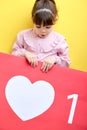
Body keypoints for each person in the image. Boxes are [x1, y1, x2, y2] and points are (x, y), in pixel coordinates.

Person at [12, 0, 71, 72]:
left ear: (55, 20)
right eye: (38, 27)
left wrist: (54, 59)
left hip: (49, 79)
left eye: (48, 27)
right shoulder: (23, 35)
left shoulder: (60, 40)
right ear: (33, 20)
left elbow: (66, 64)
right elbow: (13, 55)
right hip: (25, 75)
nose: (43, 31)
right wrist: (25, 53)